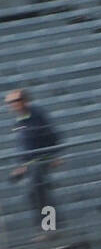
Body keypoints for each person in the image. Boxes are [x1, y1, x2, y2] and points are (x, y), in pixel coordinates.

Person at [6, 88, 61, 230]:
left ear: (25, 100)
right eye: (10, 102)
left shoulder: (36, 115)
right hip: (30, 163)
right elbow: (24, 145)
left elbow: (52, 135)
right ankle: (50, 228)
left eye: (15, 101)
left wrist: (54, 156)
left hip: (41, 159)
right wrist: (21, 165)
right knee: (37, 194)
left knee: (37, 192)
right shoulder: (19, 119)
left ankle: (50, 228)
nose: (12, 104)